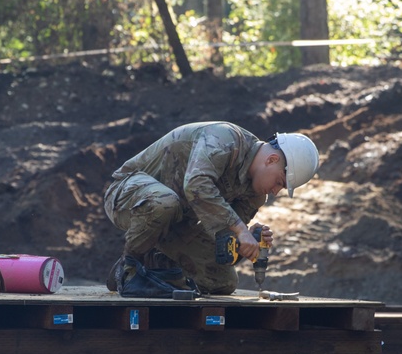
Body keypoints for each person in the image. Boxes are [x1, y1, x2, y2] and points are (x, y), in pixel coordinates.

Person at [103, 121, 320, 295]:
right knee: (165, 203)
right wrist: (240, 229)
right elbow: (196, 183)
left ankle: (153, 265)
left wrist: (246, 243)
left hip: (175, 221)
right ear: (271, 159)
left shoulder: (254, 196)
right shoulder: (225, 139)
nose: (275, 191)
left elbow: (221, 242)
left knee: (222, 281)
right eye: (280, 182)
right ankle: (129, 270)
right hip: (128, 195)